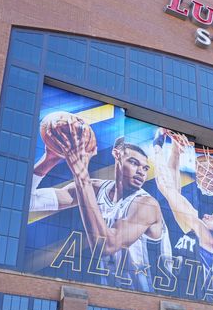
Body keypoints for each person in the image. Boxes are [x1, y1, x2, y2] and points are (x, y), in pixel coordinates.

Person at [29, 117, 171, 291]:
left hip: (146, 303)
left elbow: (106, 246)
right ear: (117, 155)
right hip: (109, 298)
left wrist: (81, 176)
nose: (141, 172)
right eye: (134, 163)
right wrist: (50, 158)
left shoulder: (147, 204)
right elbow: (28, 201)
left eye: (144, 168)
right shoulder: (96, 188)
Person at [152, 129, 213, 293]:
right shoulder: (202, 239)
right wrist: (176, 151)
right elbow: (174, 194)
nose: (208, 215)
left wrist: (158, 145)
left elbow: (165, 186)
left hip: (200, 308)